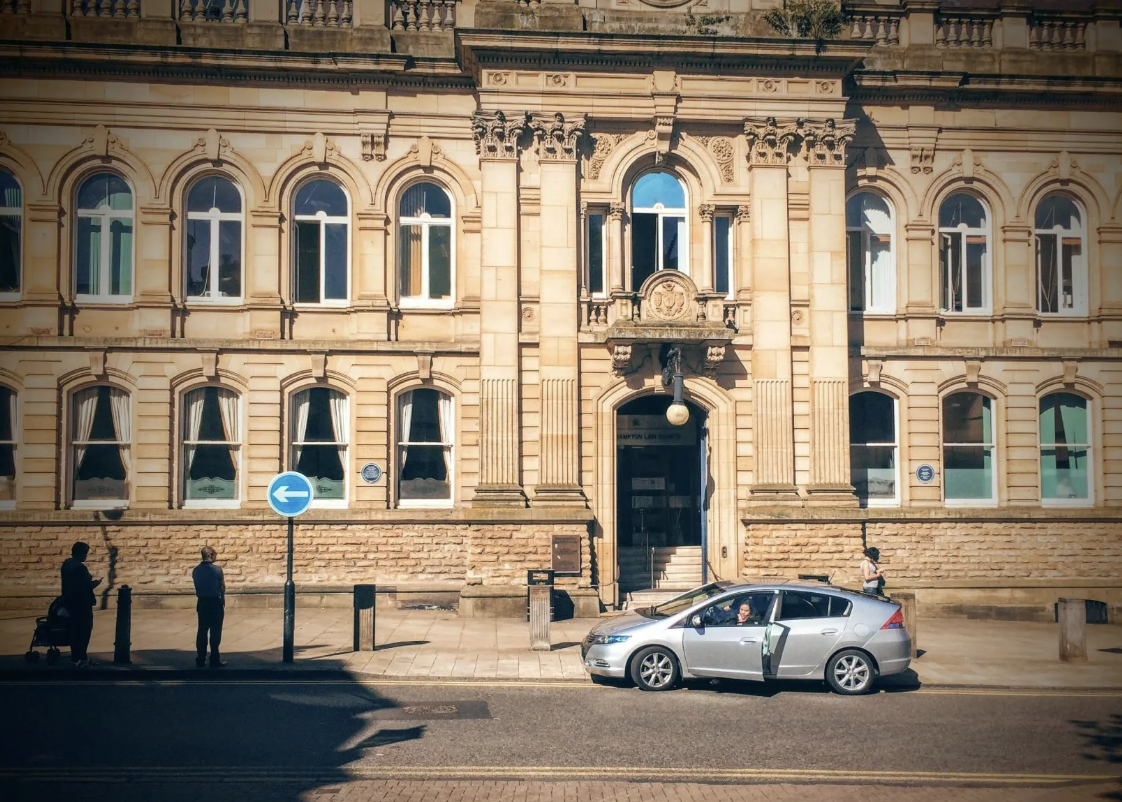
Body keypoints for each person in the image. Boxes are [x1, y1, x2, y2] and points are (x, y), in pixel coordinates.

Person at [60, 541, 100, 668]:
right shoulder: (80, 568)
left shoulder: (67, 564)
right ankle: (80, 658)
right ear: (80, 553)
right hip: (82, 604)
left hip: (70, 602)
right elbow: (84, 586)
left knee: (75, 631)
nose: (86, 556)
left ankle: (77, 657)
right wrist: (96, 583)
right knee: (84, 632)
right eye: (85, 553)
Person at [192, 545, 226, 668]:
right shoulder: (217, 570)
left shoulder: (196, 570)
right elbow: (222, 587)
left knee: (202, 630)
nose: (216, 556)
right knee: (215, 632)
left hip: (202, 602)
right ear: (211, 555)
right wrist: (223, 601)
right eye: (215, 554)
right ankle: (214, 659)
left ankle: (200, 659)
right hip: (215, 603)